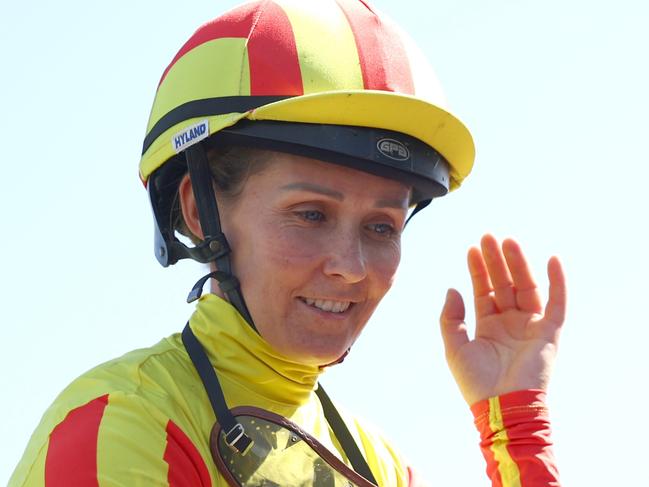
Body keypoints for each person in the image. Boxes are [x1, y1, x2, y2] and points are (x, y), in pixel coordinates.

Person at [10, 1, 566, 486]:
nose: (351, 267)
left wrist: (514, 424)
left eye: (381, 227)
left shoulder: (382, 465)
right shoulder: (120, 425)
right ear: (201, 212)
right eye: (310, 214)